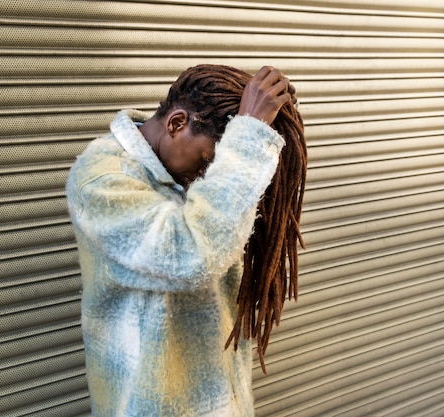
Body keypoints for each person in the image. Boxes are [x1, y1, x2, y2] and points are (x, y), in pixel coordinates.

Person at [66, 64, 306, 417]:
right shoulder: (101, 180)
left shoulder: (189, 170)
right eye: (210, 160)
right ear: (177, 123)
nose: (210, 175)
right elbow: (191, 255)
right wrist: (249, 138)